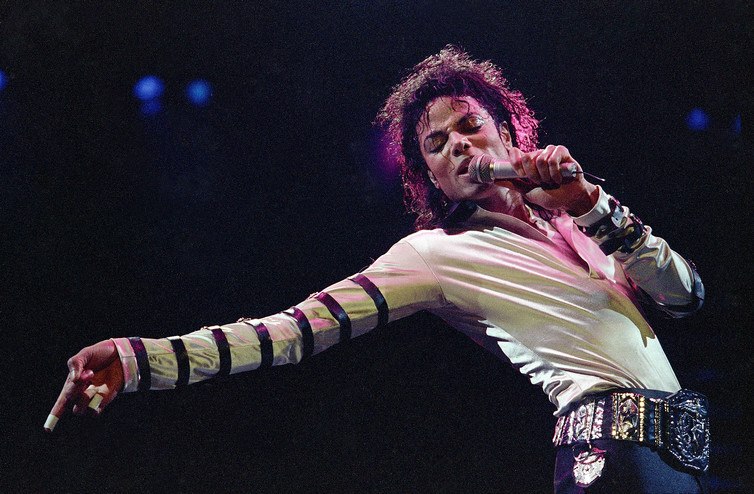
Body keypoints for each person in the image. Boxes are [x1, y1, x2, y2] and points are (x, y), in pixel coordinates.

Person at [47, 45, 708, 493]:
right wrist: (139, 360)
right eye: (436, 145)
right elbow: (293, 331)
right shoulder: (436, 255)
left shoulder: (576, 219)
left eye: (469, 127)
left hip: (679, 460)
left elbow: (684, 296)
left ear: (507, 130)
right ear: (432, 179)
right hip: (609, 460)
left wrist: (591, 204)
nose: (459, 147)